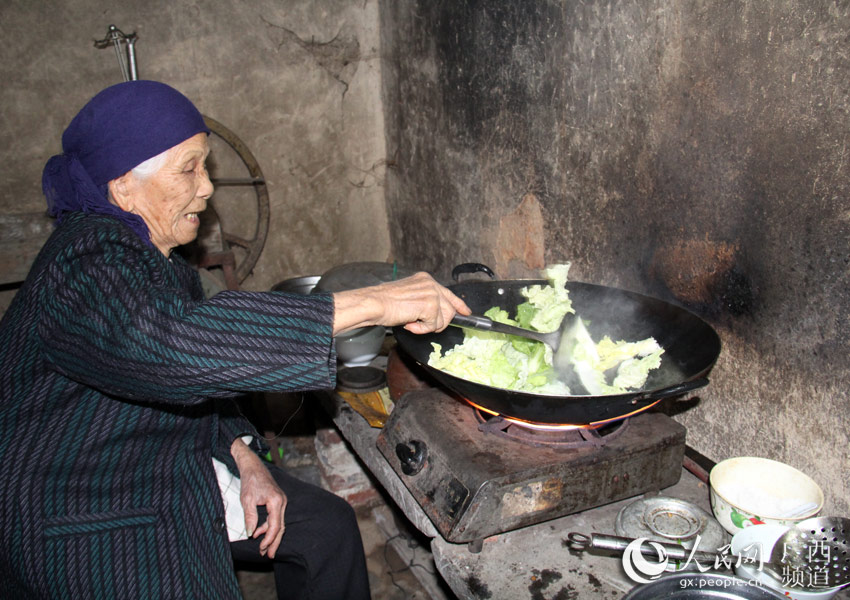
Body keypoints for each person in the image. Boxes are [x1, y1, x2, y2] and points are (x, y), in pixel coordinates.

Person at [0, 80, 469, 600]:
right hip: (85, 505)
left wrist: (247, 457)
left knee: (325, 529)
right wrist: (376, 302)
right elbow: (173, 347)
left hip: (167, 461)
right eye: (188, 169)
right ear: (122, 185)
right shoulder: (85, 262)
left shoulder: (159, 262)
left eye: (206, 167)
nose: (206, 188)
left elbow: (202, 379)